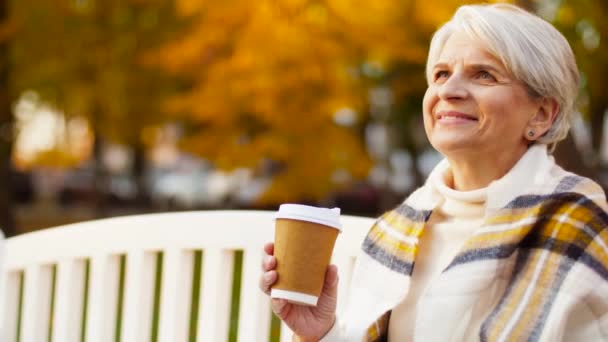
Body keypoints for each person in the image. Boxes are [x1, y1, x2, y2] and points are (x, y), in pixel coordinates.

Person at [260, 3, 608, 341]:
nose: (448, 90)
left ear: (542, 115)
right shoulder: (394, 232)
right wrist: (319, 333)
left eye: (484, 74)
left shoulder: (576, 223)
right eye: (441, 74)